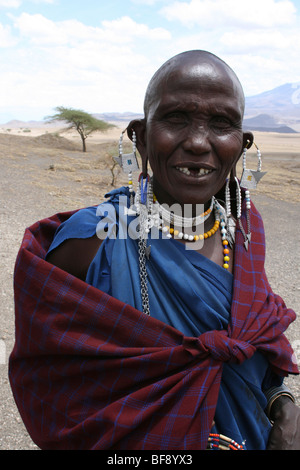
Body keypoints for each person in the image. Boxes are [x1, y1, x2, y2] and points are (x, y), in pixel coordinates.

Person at [9, 50, 300, 450]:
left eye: (221, 123)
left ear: (243, 144)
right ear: (141, 137)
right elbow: (51, 386)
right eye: (176, 118)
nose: (198, 142)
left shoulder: (243, 233)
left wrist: (280, 400)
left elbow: (257, 341)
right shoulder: (91, 240)